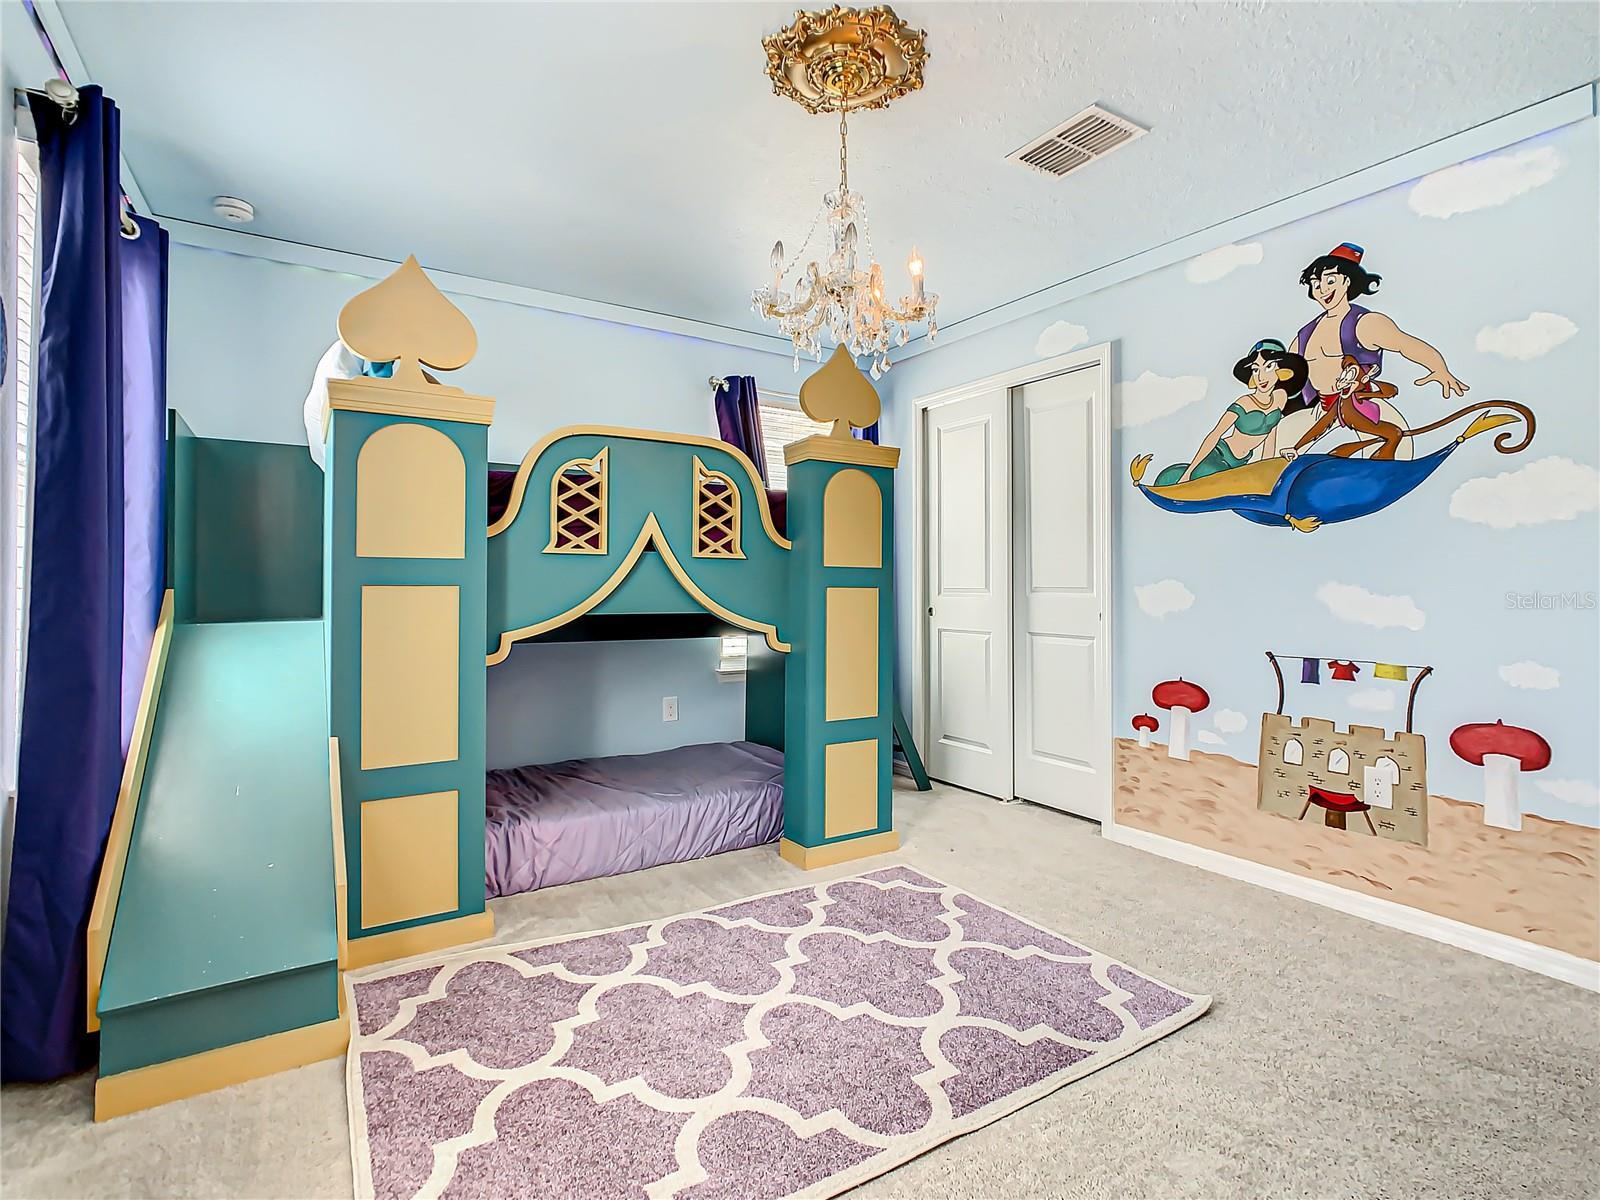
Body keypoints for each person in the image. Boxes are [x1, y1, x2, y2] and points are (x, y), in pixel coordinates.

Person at [1289, 242, 1467, 460]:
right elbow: (1289, 372)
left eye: (1330, 280)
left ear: (1347, 281)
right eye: (1316, 283)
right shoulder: (1305, 333)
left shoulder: (1365, 323)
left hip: (1363, 405)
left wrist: (1439, 368)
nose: (1322, 289)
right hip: (1322, 409)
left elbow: (1405, 344)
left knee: (1390, 445)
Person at [1156, 338, 1308, 485]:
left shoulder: (1280, 398)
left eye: (1268, 367)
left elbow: (1270, 439)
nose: (1261, 376)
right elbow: (1215, 435)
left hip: (1240, 464)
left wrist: (1266, 471)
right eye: (1255, 370)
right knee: (1211, 484)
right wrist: (1188, 472)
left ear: (1281, 371)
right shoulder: (1244, 402)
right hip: (1218, 457)